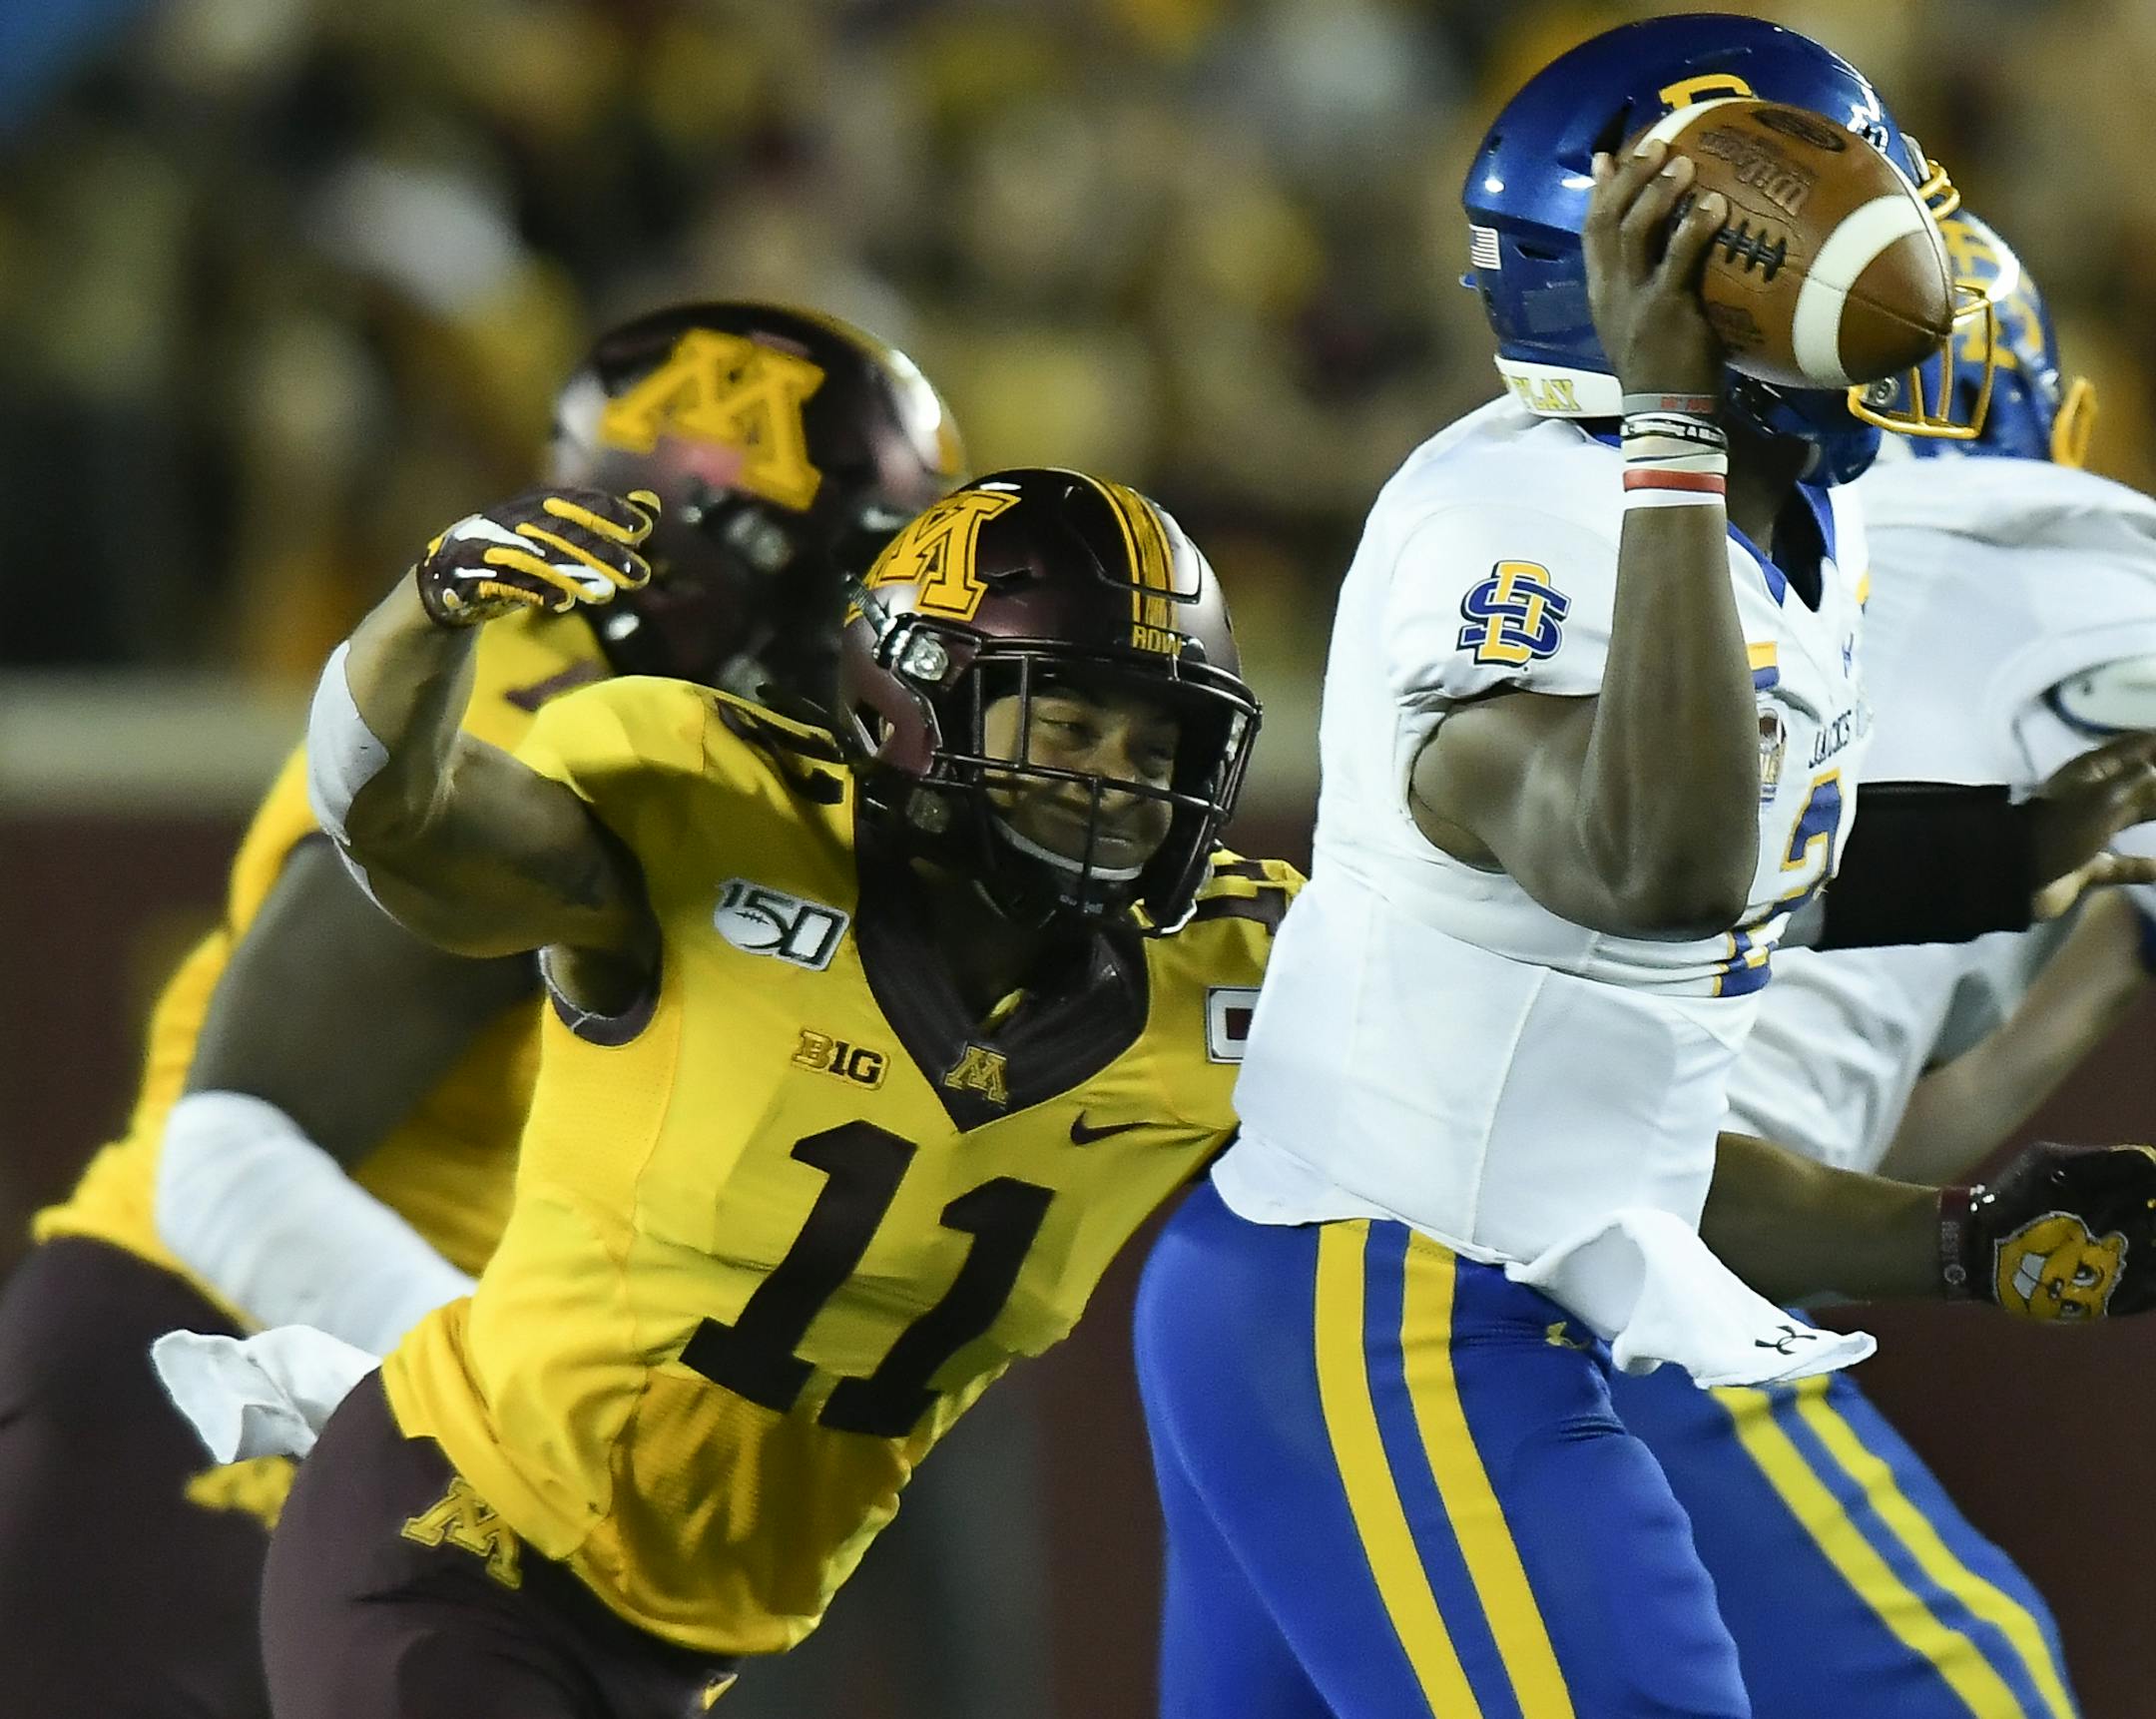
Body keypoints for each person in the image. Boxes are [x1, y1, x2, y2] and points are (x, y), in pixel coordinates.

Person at [1128, 17, 2156, 1717]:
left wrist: (1972, 1230)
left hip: (1471, 1283)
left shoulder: (1775, 544)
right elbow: (1654, 865)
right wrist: (1678, 421)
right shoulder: (1521, 517)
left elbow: (1626, 1132)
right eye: (1825, 202)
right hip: (1385, 1305)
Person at [0, 300, 963, 1718]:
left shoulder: (704, 741)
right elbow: (232, 1149)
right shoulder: (525, 717)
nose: (872, 636)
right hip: (207, 1370)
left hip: (372, 1410)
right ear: (704, 547)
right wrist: (511, 1405)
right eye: (849, 578)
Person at [227, 464, 1296, 1716]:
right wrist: (424, 612)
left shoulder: (1230, 982)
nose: (1116, 782)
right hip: (461, 1537)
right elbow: (400, 821)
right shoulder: (716, 818)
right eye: (1066, 726)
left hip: (689, 1651)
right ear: (918, 698)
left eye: (1155, 741)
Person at [1611, 210, 2141, 1719]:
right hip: (1625, 1258)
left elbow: (1827, 1101)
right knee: (1972, 1685)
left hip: (1311, 1261)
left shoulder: (1659, 556)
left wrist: (2106, 968)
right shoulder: (2065, 553)